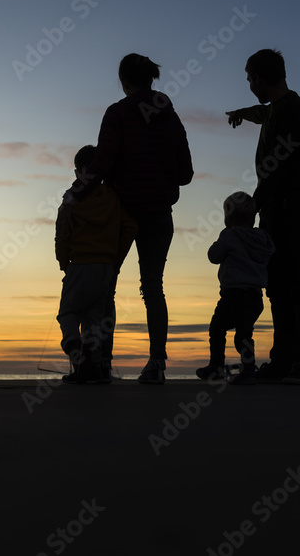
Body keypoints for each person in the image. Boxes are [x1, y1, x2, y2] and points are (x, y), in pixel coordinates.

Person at [62, 53, 193, 385]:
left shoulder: (118, 113)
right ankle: (156, 364)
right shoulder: (172, 119)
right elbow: (186, 174)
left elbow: (103, 161)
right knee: (153, 288)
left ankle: (101, 362)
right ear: (150, 79)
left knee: (106, 288)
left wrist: (77, 193)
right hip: (159, 214)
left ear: (124, 80)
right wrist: (162, 182)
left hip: (121, 215)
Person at [224, 49, 300, 384]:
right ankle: (282, 361)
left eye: (250, 79)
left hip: (289, 207)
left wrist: (253, 203)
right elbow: (262, 114)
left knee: (296, 282)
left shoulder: (292, 111)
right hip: (274, 209)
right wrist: (242, 112)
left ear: (260, 79)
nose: (249, 85)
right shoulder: (280, 108)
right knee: (278, 286)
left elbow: (278, 168)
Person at [55, 145, 137, 384]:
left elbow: (63, 232)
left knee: (68, 312)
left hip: (78, 265)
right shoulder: (113, 197)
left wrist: (63, 262)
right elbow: (130, 227)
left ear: (78, 171)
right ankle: (93, 370)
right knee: (94, 319)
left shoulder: (72, 199)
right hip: (105, 267)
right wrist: (114, 257)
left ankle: (72, 343)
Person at [197, 192, 274, 385]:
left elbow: (213, 256)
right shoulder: (263, 238)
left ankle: (216, 367)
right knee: (244, 334)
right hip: (255, 297)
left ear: (228, 217)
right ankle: (248, 371)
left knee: (216, 329)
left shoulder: (229, 235)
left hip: (233, 295)